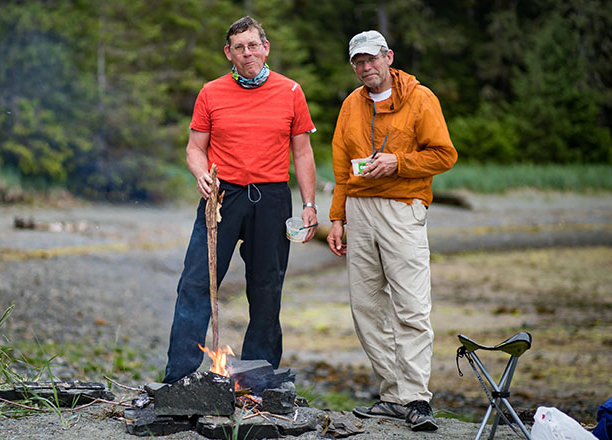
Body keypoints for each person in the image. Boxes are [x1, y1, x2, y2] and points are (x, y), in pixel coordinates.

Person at [163, 16, 319, 384]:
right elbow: (195, 148)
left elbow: (304, 153)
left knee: (266, 287)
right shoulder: (211, 92)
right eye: (239, 47)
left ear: (266, 48)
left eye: (253, 45)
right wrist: (201, 173)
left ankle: (256, 379)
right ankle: (179, 376)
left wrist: (309, 206)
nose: (247, 53)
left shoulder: (291, 91)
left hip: (272, 197)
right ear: (228, 53)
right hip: (222, 195)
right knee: (196, 282)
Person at [326, 30, 457, 431]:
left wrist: (397, 163)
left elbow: (444, 154)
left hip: (403, 208)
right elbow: (341, 164)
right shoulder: (351, 104)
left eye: (371, 60)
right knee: (365, 307)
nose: (366, 68)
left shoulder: (421, 98)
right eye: (358, 63)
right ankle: (393, 394)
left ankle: (416, 397)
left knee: (411, 307)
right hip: (358, 210)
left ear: (388, 57)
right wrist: (336, 218)